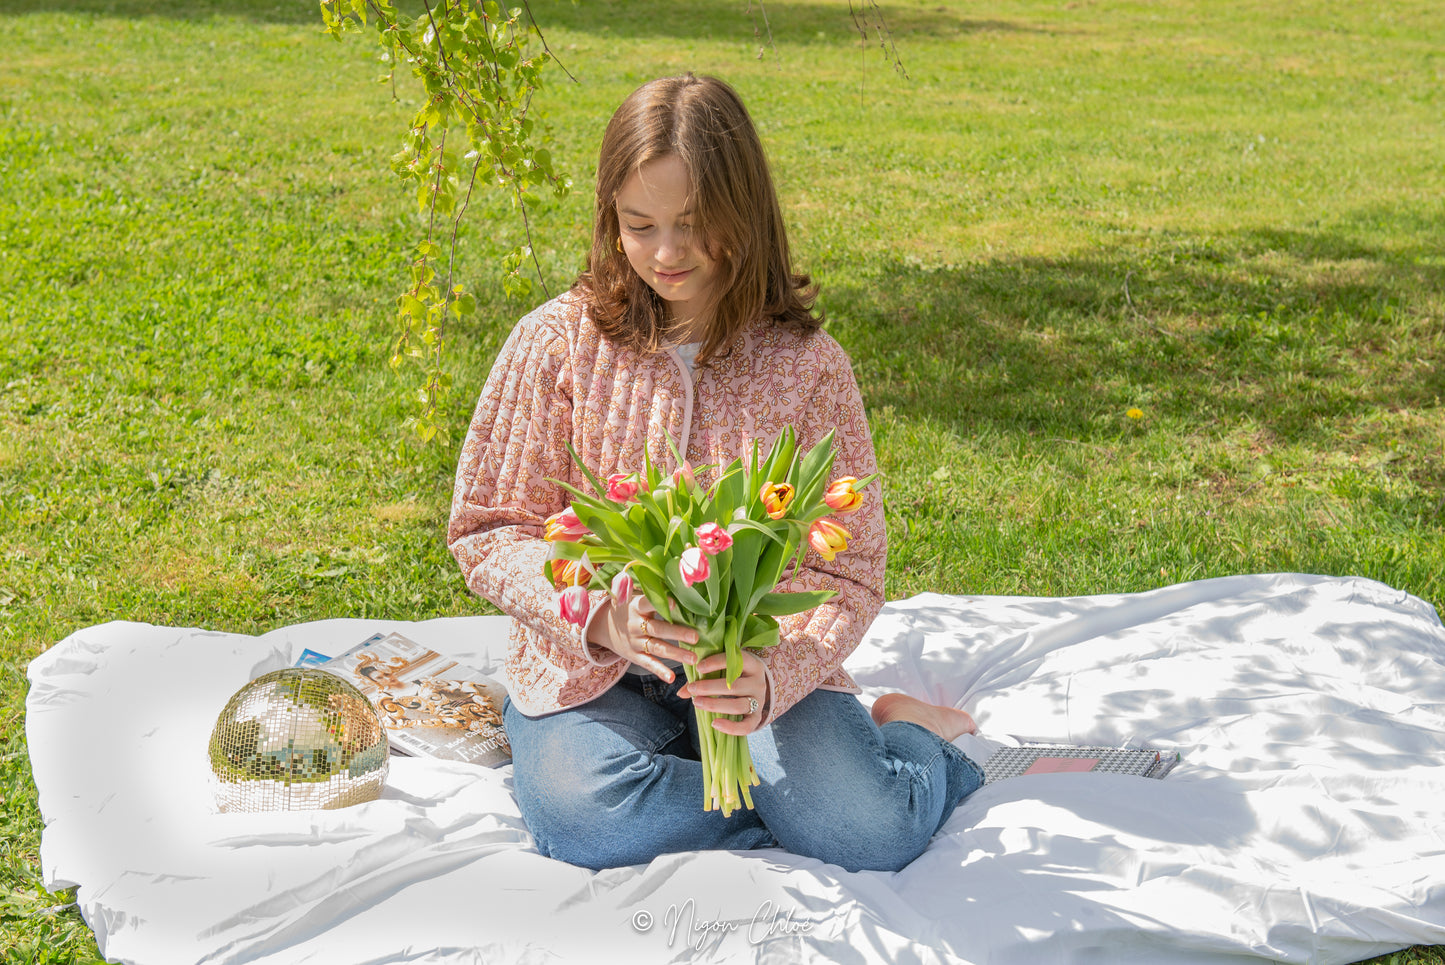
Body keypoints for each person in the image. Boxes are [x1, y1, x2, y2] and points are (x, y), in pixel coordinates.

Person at [447, 73, 981, 873]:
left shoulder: (807, 367)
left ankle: (917, 738)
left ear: (745, 216)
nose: (665, 253)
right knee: (586, 820)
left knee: (873, 831)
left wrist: (778, 674)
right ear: (609, 220)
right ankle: (788, 810)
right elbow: (488, 529)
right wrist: (600, 614)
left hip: (758, 672)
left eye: (694, 225)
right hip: (597, 674)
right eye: (639, 224)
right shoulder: (555, 344)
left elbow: (849, 567)